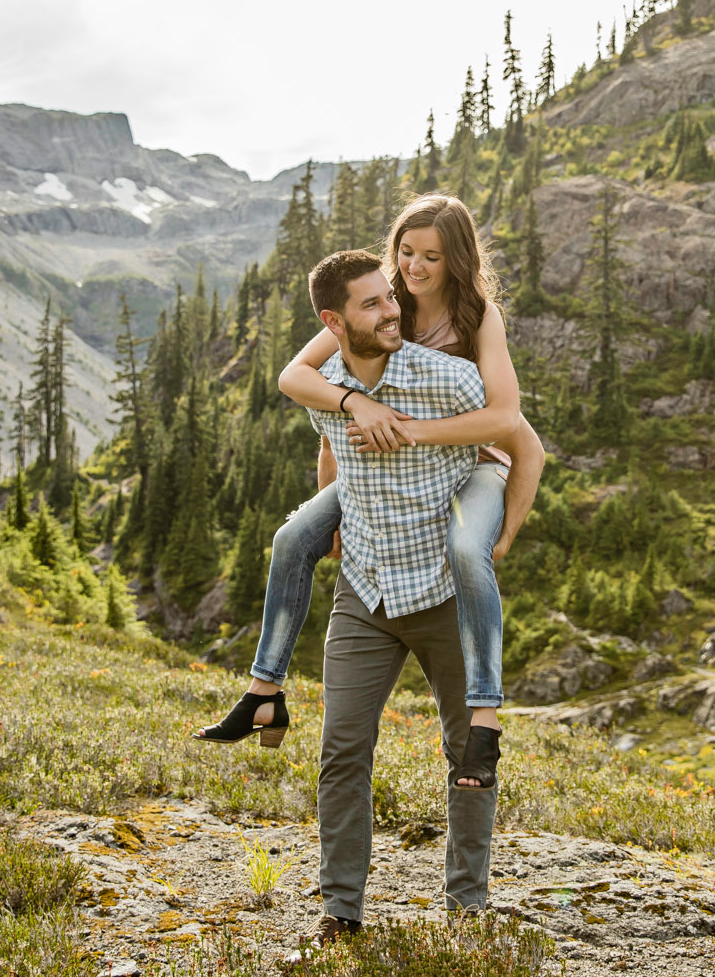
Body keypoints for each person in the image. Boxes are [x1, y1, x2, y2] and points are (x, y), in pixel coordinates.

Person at [194, 194, 543, 790]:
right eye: (406, 251)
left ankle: (486, 719)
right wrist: (358, 403)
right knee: (293, 537)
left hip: (469, 464)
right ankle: (263, 691)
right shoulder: (382, 305)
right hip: (378, 473)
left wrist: (499, 525)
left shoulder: (476, 315)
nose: (415, 267)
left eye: (431, 256)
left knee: (466, 553)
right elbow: (295, 376)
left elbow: (509, 422)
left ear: (456, 257)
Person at [294, 248, 500, 941]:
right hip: (366, 593)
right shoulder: (324, 383)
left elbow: (512, 436)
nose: (393, 310)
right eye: (373, 303)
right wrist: (332, 517)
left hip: (444, 591)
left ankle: (468, 906)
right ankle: (341, 910)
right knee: (342, 747)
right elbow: (328, 442)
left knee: (467, 748)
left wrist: (502, 534)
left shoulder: (449, 378)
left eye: (392, 297)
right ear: (334, 320)